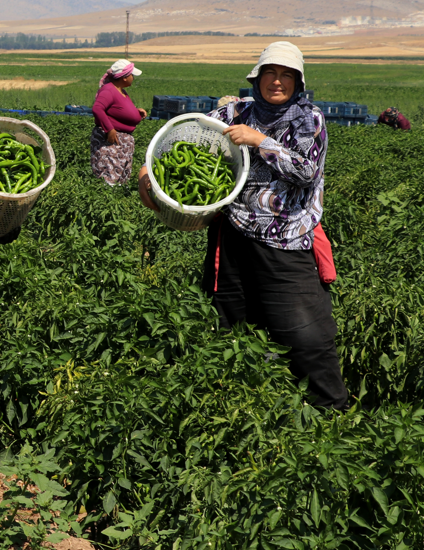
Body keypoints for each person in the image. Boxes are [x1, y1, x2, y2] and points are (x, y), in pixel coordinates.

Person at [139, 41, 348, 410]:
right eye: (271, 73)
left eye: (287, 75)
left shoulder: (308, 118)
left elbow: (307, 171)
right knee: (232, 325)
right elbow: (190, 134)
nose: (278, 81)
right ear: (257, 78)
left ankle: (330, 412)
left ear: (298, 83)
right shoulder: (235, 112)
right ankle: (244, 407)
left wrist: (260, 140)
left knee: (303, 334)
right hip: (233, 236)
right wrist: (148, 171)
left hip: (284, 242)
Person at [90, 59, 148, 186]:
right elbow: (97, 108)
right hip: (110, 143)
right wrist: (109, 130)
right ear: (125, 77)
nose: (133, 78)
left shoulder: (120, 90)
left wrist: (136, 112)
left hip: (122, 144)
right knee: (109, 177)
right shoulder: (108, 90)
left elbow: (117, 109)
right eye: (132, 75)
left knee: (121, 181)